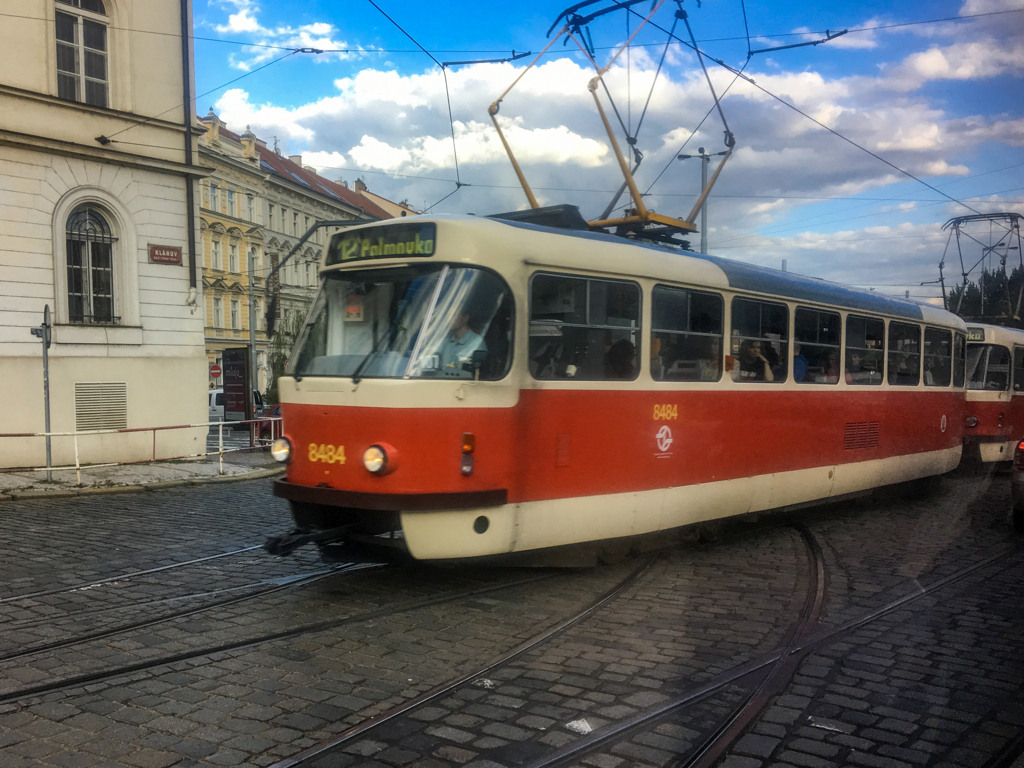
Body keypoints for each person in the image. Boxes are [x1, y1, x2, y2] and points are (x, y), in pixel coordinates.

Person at [437, 308, 487, 378]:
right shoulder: (445, 341)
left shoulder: (476, 342)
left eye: (453, 315)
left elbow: (479, 372)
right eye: (448, 316)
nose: (449, 319)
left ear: (465, 318)